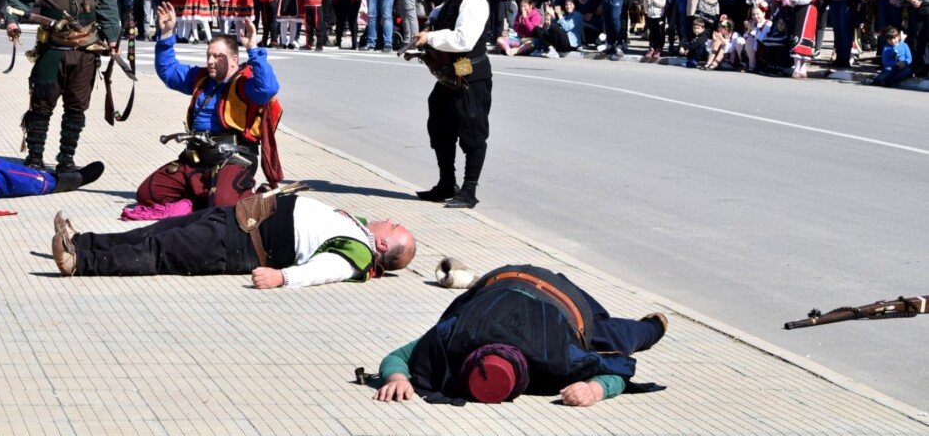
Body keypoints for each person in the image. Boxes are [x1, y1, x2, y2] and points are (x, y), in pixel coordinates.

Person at [373, 263, 666, 406]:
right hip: (504, 281)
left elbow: (617, 371)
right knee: (603, 334)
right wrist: (397, 377)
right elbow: (398, 357)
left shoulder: (558, 359)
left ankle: (655, 327)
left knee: (617, 337)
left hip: (563, 297)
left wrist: (596, 390)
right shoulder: (457, 337)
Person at [51, 194, 415, 286]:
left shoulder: (357, 255)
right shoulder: (358, 226)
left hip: (240, 244)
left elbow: (325, 271)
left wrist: (281, 278)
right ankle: (82, 242)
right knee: (154, 231)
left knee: (160, 251)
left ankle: (79, 263)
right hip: (240, 216)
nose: (392, 220)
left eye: (396, 228)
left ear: (383, 246)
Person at [123, 8, 282, 219]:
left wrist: (253, 48)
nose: (210, 61)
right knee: (148, 193)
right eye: (208, 55)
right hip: (197, 158)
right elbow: (168, 71)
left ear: (234, 59)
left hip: (233, 157)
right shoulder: (201, 78)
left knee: (223, 206)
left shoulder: (246, 84)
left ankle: (253, 196)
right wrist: (167, 34)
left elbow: (268, 89)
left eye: (218, 56)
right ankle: (198, 200)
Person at [5, 0, 122, 171]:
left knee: (76, 108)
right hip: (52, 49)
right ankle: (35, 158)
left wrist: (113, 36)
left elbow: (107, 4)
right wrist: (11, 20)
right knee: (41, 106)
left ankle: (66, 160)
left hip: (84, 52)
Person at [413, 0, 491, 209]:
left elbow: (464, 39)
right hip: (451, 72)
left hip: (469, 70)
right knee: (439, 125)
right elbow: (439, 15)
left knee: (472, 129)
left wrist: (431, 36)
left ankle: (469, 190)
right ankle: (447, 183)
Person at [778, 0, 821, 79]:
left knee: (802, 37)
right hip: (799, 11)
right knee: (796, 36)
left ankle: (799, 68)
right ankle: (800, 69)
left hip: (807, 11)